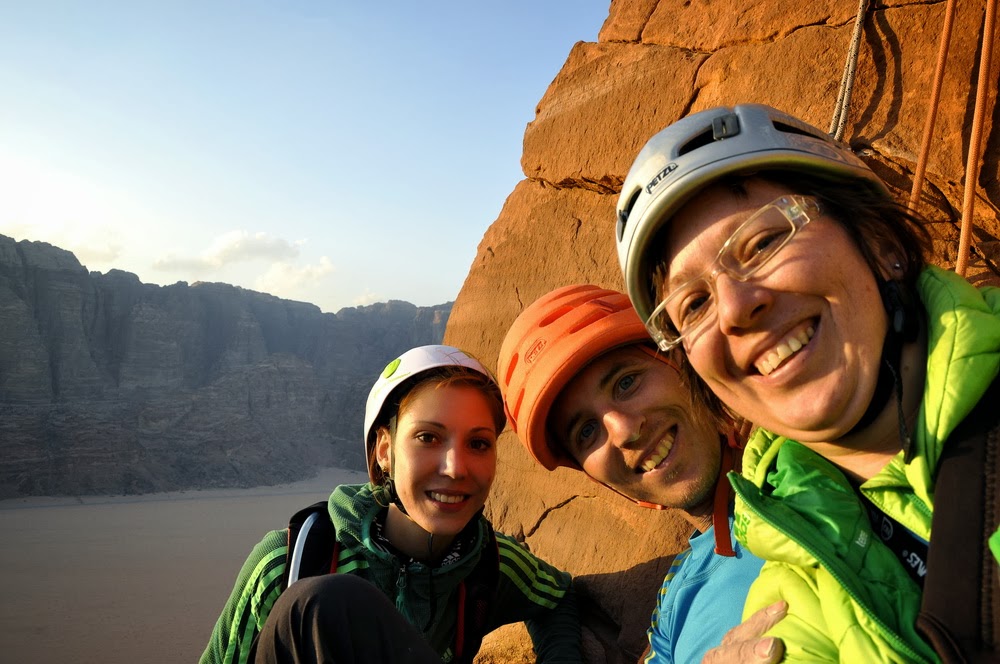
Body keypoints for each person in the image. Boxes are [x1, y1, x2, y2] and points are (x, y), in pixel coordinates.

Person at [614, 103, 1000, 662]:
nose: (734, 309)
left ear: (880, 244)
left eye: (762, 243)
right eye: (693, 305)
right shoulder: (791, 581)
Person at [201, 344, 582, 664]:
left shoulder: (490, 561)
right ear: (385, 450)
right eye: (428, 437)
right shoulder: (292, 561)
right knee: (322, 603)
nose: (455, 468)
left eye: (478, 443)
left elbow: (558, 597)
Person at [497, 284, 783, 663]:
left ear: (680, 360)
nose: (623, 431)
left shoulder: (821, 474)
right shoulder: (676, 598)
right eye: (587, 432)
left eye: (626, 382)